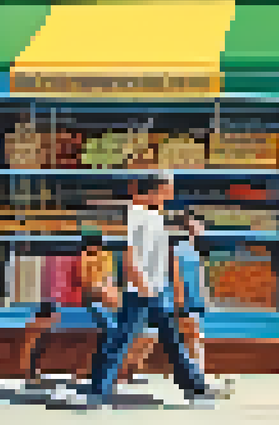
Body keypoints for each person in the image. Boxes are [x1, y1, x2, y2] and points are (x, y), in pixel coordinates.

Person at [63, 171, 219, 406]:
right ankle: (96, 392)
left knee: (164, 340)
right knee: (123, 340)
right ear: (153, 191)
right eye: (167, 189)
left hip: (154, 291)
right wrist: (142, 285)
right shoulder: (137, 216)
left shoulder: (153, 216)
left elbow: (161, 246)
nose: (170, 194)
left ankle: (195, 389)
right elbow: (130, 256)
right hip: (143, 292)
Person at [25, 237, 153, 388]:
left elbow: (103, 283)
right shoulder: (82, 261)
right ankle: (107, 373)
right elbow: (89, 284)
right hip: (78, 304)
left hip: (85, 304)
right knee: (112, 333)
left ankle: (115, 372)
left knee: (120, 333)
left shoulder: (103, 259)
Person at [172, 212, 210, 372]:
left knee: (193, 340)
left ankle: (198, 373)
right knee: (192, 340)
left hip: (194, 302)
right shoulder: (180, 249)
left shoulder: (192, 249)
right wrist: (179, 300)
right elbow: (176, 276)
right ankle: (198, 375)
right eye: (197, 221)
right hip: (186, 303)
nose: (201, 225)